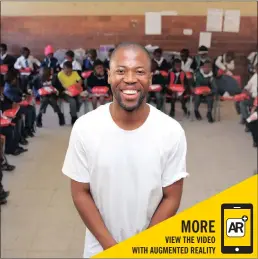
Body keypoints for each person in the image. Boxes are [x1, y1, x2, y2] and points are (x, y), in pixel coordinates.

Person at [62, 42, 188, 258]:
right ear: (109, 76)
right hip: (100, 247)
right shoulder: (85, 128)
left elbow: (172, 197)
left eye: (139, 72)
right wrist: (113, 248)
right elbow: (80, 192)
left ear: (150, 77)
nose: (130, 79)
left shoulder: (171, 132)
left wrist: (142, 247)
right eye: (121, 71)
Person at [239, 63, 257, 131]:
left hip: (255, 99)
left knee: (243, 104)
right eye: (256, 69)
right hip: (251, 96)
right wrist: (245, 89)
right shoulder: (255, 75)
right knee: (239, 101)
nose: (256, 71)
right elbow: (249, 84)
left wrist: (250, 94)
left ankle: (248, 122)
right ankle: (246, 118)